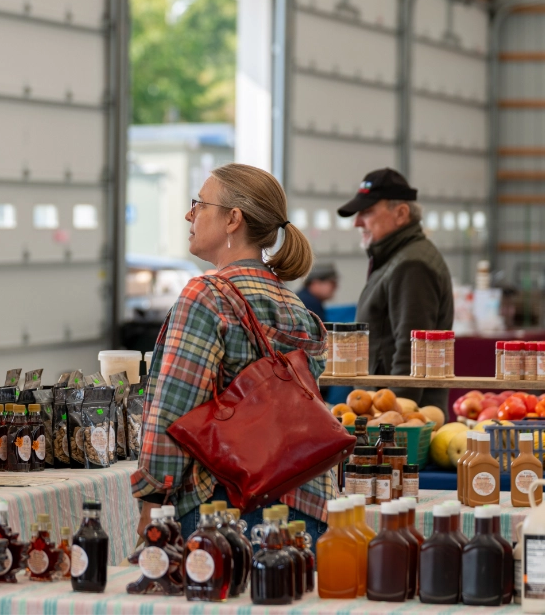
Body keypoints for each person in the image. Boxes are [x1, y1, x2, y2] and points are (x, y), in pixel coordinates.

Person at [131, 164, 331, 543]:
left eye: (200, 204)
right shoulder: (295, 306)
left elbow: (172, 410)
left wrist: (153, 502)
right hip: (308, 506)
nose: (190, 214)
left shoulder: (206, 296)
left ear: (233, 219)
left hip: (227, 510)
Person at [337, 168, 452, 414]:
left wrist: (395, 420)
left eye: (366, 212)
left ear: (400, 214)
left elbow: (411, 350)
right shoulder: (396, 258)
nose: (357, 222)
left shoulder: (412, 264)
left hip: (403, 417)